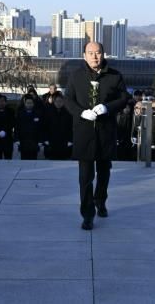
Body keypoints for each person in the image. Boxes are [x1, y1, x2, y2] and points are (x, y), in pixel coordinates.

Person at [65, 41, 128, 231]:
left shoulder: (115, 76)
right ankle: (87, 214)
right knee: (85, 177)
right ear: (84, 55)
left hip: (105, 132)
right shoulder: (76, 76)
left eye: (98, 52)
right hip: (84, 132)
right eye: (90, 53)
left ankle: (100, 200)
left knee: (104, 172)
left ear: (103, 54)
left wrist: (107, 107)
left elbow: (124, 98)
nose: (94, 56)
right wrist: (81, 112)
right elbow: (68, 100)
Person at [43, 92, 73, 160]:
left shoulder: (68, 113)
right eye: (56, 101)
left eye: (60, 101)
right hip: (52, 143)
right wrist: (46, 139)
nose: (58, 103)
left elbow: (71, 127)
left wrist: (70, 140)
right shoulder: (49, 112)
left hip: (64, 143)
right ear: (54, 102)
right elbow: (45, 127)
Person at [14, 95, 43, 160]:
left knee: (34, 160)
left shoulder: (38, 114)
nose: (29, 104)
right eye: (27, 103)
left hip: (34, 141)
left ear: (33, 104)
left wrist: (40, 140)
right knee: (24, 160)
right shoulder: (20, 114)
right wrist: (17, 139)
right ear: (25, 104)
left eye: (31, 103)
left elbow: (41, 128)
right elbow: (17, 127)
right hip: (23, 141)